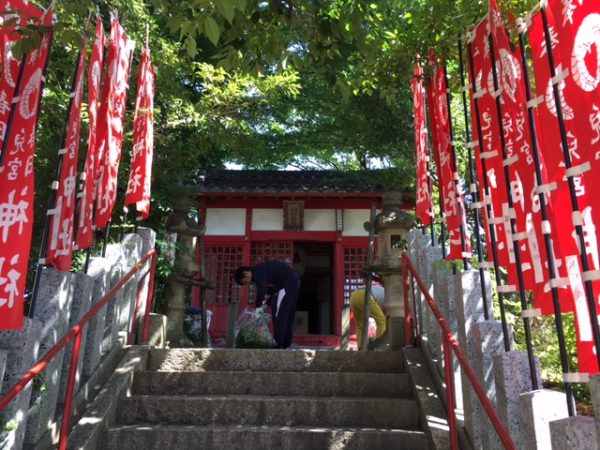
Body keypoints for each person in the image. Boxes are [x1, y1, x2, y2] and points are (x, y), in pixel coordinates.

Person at [233, 260, 300, 349]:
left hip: (286, 284)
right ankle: (285, 343)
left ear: (246, 273)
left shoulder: (257, 272)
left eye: (244, 281)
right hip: (294, 282)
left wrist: (258, 306)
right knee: (288, 315)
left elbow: (262, 290)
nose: (247, 283)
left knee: (279, 315)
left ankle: (278, 343)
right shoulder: (262, 271)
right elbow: (272, 289)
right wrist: (267, 303)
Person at [350, 282, 386, 350]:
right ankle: (379, 346)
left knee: (359, 325)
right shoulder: (388, 294)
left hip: (353, 295)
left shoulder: (380, 289)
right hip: (366, 295)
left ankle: (360, 347)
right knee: (382, 321)